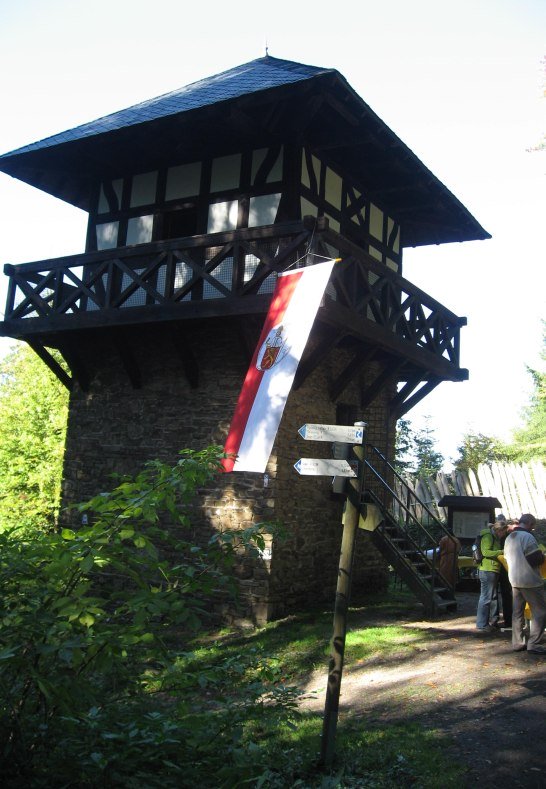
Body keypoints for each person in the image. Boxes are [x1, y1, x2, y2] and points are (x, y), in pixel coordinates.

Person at [503, 513, 546, 654]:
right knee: (540, 612)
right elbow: (534, 559)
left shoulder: (509, 537)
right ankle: (534, 643)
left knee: (517, 613)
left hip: (515, 580)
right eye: (533, 526)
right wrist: (542, 556)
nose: (533, 529)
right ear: (530, 524)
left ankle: (517, 642)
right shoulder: (527, 537)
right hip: (530, 580)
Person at [475, 521, 506, 631]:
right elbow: (486, 552)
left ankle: (485, 623)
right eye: (504, 532)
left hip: (492, 569)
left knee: (490, 597)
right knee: (486, 598)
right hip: (487, 570)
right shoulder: (488, 536)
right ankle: (482, 624)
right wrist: (502, 551)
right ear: (499, 530)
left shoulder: (494, 536)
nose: (504, 535)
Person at [496, 514, 513, 628]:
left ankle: (506, 619)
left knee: (504, 595)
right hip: (507, 569)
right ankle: (508, 619)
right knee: (507, 595)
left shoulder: (500, 537)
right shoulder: (510, 537)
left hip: (503, 569)